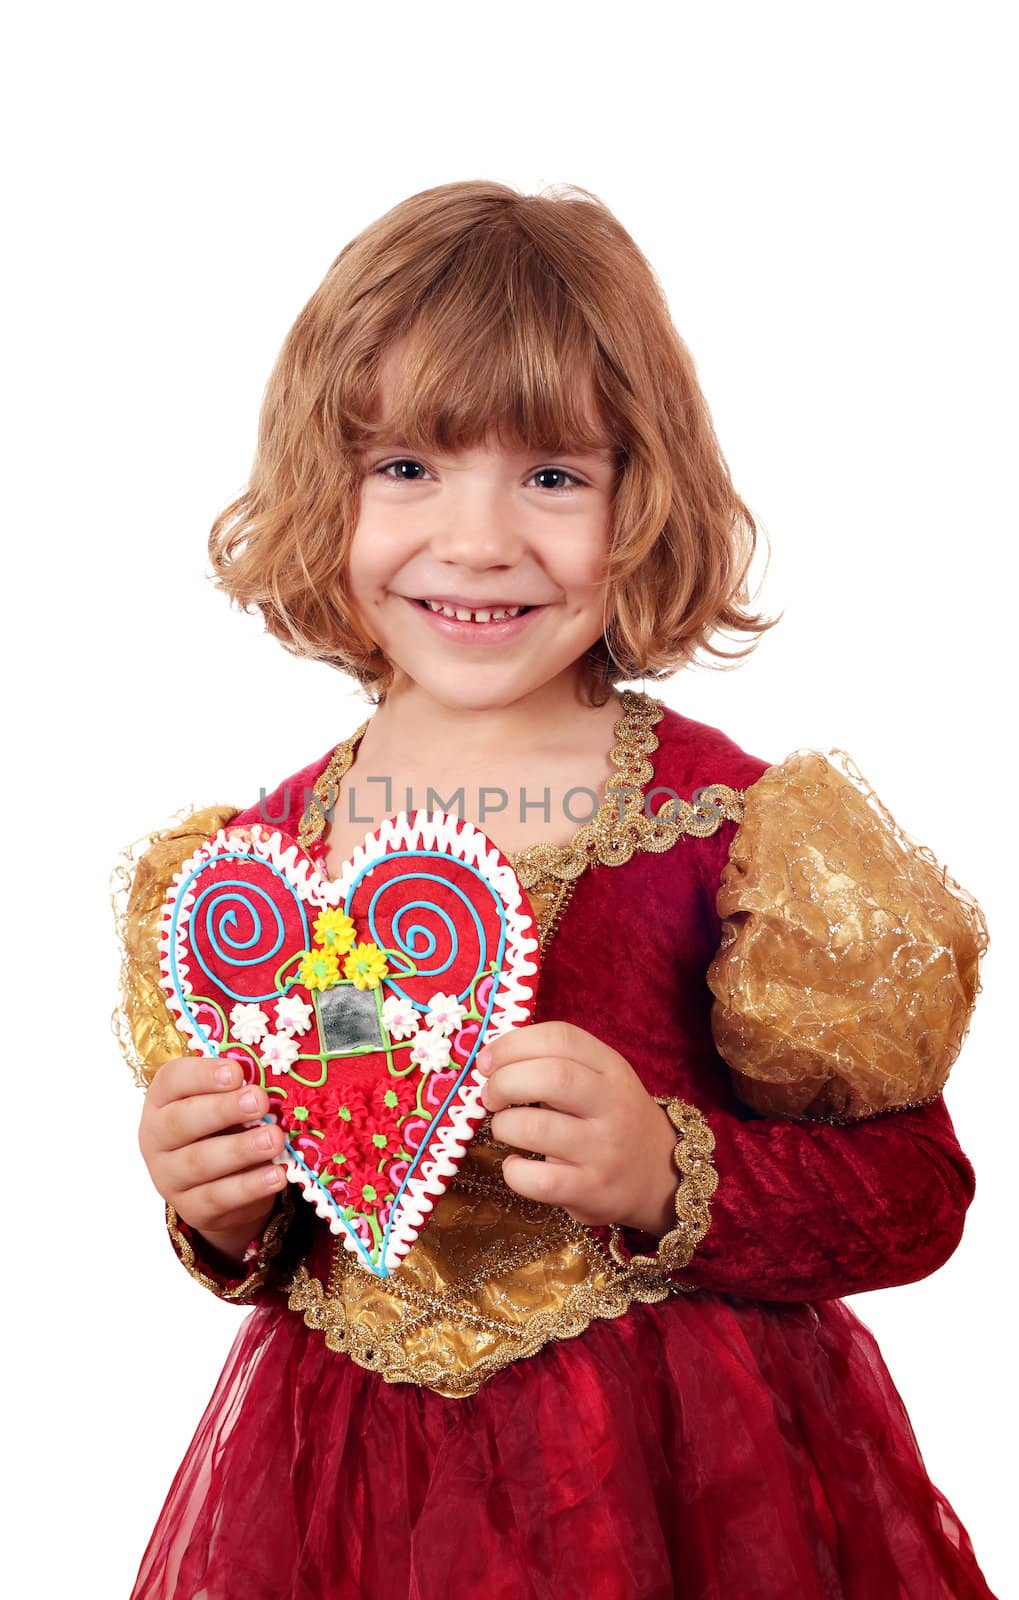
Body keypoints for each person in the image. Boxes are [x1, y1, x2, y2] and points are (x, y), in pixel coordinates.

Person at [113, 180, 998, 1599]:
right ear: (316, 487)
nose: (477, 539)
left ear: (639, 496)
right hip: (346, 1502)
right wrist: (219, 1210)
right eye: (405, 468)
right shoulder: (259, 870)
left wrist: (669, 1172)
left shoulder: (737, 834)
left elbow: (919, 1196)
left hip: (687, 1486)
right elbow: (320, 1198)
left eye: (551, 476)